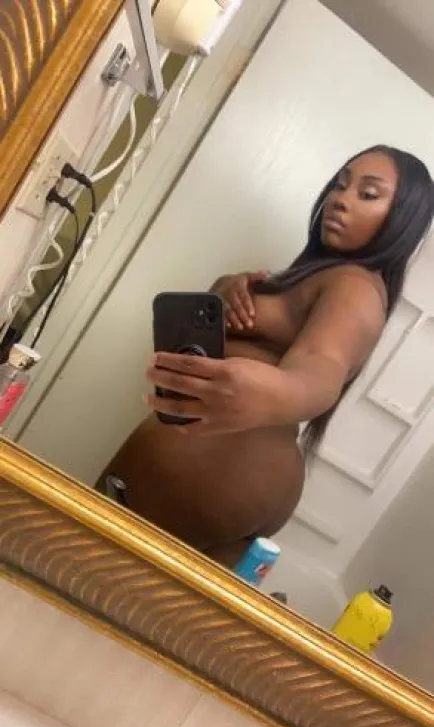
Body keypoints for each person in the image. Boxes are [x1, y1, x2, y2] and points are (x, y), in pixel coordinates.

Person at [97, 145, 434, 567]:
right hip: (234, 480)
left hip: (222, 472)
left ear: (402, 218)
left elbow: (321, 367)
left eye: (368, 194)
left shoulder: (356, 289)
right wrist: (225, 290)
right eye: (341, 184)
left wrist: (278, 389)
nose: (341, 199)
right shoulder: (325, 275)